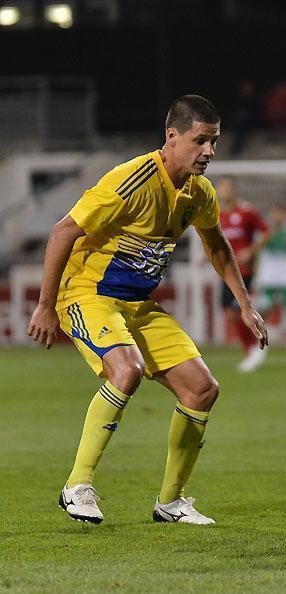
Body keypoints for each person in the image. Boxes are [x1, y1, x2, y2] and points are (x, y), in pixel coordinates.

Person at [26, 95, 267, 526]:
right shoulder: (131, 181)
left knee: (202, 389)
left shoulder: (199, 192)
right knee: (127, 370)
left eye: (214, 141)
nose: (209, 151)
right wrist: (44, 305)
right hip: (88, 293)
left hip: (137, 304)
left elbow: (216, 245)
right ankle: (76, 486)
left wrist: (246, 305)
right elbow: (63, 231)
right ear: (172, 136)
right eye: (200, 141)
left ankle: (171, 503)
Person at [217, 178, 271, 372]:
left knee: (237, 310)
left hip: (244, 272)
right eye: (221, 188)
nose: (222, 191)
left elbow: (266, 232)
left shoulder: (246, 212)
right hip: (226, 271)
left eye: (226, 188)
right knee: (229, 313)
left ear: (234, 191)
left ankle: (253, 348)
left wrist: (250, 250)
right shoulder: (217, 215)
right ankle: (252, 346)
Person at [255, 204, 286, 355]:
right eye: (275, 214)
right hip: (268, 277)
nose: (277, 217)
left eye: (280, 214)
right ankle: (260, 338)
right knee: (264, 308)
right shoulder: (264, 232)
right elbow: (256, 251)